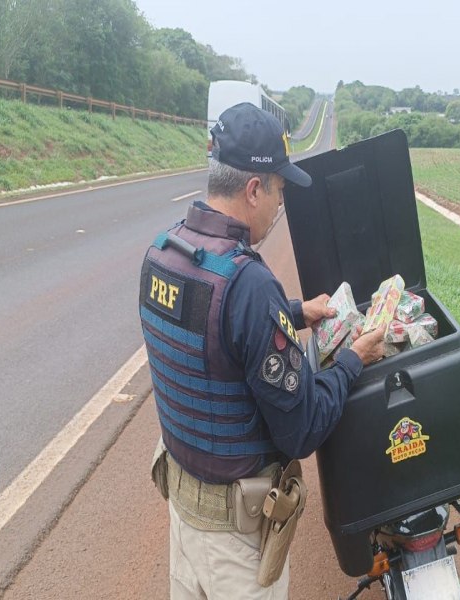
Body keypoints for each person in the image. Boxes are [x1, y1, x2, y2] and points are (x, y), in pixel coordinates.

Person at [139, 101, 385, 600]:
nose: (281, 206)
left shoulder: (163, 254)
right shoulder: (249, 285)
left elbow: (216, 341)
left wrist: (294, 311)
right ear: (254, 190)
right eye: (279, 191)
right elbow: (303, 430)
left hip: (184, 522)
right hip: (236, 548)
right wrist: (356, 358)